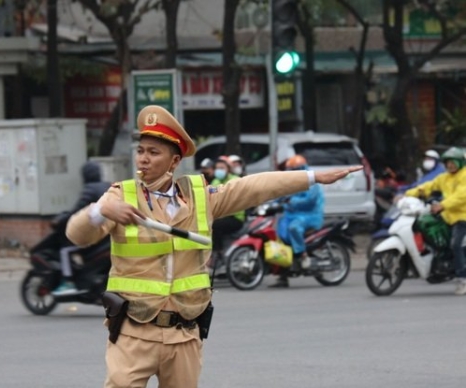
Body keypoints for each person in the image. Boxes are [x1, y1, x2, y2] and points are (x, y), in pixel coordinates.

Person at [65, 104, 360, 388]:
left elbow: (252, 187)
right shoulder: (119, 197)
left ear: (174, 161)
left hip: (184, 335)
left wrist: (311, 177)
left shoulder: (199, 197)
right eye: (140, 151)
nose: (143, 159)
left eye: (153, 152)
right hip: (133, 334)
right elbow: (77, 235)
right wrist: (99, 210)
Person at [403, 147, 466, 296]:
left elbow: (460, 196)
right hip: (447, 216)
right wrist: (407, 194)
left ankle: (462, 279)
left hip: (462, 217)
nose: (450, 165)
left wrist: (442, 205)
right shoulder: (443, 177)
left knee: (455, 245)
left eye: (453, 162)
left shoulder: (464, 176)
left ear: (460, 162)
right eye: (448, 163)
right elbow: (428, 187)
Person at [52, 161, 111, 296]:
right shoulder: (108, 186)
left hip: (94, 234)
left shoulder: (89, 189)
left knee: (65, 250)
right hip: (108, 234)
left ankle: (68, 282)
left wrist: (62, 219)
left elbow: (78, 211)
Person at [271, 155, 325, 288]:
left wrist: (292, 202)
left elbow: (310, 200)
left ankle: (303, 255)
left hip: (309, 215)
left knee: (294, 228)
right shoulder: (291, 182)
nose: (292, 172)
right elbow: (280, 195)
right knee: (280, 236)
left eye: (294, 170)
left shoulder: (312, 181)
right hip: (291, 215)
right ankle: (283, 276)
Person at [209, 156, 245, 260]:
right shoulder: (215, 181)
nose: (219, 170)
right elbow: (210, 195)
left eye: (222, 168)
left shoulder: (235, 180)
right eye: (217, 168)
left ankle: (218, 252)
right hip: (220, 214)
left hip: (235, 217)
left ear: (228, 169)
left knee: (215, 225)